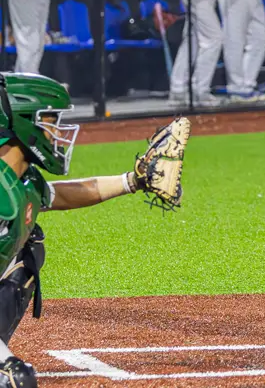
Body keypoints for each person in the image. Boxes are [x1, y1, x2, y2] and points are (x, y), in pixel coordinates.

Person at [0, 72, 190, 386]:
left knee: (30, 247)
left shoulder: (19, 181)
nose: (56, 132)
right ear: (23, 122)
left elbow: (62, 194)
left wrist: (133, 180)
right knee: (14, 378)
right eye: (49, 121)